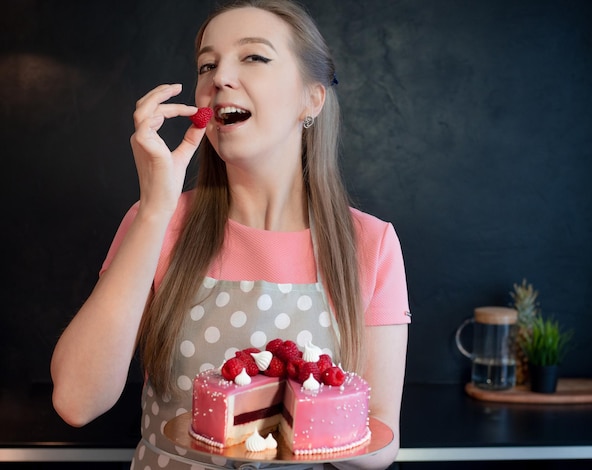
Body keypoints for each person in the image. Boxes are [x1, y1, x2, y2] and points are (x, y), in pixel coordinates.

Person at [50, 1, 410, 468]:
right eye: (206, 64)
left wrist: (308, 418)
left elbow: (381, 443)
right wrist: (155, 209)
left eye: (253, 57)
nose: (219, 78)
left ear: (312, 99)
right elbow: (77, 402)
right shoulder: (157, 222)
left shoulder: (371, 244)